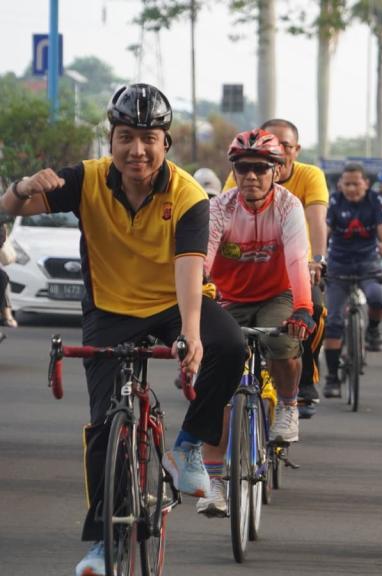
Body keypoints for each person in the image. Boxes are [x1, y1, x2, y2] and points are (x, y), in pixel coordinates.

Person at [0, 83, 245, 576]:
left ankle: (188, 446)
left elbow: (189, 268)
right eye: (126, 137)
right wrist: (24, 187)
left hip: (173, 301)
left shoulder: (189, 194)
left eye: (149, 138)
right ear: (110, 142)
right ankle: (101, 543)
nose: (138, 149)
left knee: (230, 346)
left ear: (165, 144)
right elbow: (10, 208)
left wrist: (192, 334)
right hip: (109, 310)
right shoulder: (84, 179)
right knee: (103, 427)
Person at [196, 129, 314, 516]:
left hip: (277, 295)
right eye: (243, 168)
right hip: (229, 298)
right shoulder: (220, 207)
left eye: (260, 168)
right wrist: (196, 293)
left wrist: (302, 308)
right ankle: (213, 484)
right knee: (216, 386)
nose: (251, 176)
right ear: (233, 170)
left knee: (281, 344)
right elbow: (203, 257)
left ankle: (289, 405)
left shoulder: (289, 207)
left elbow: (298, 259)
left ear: (276, 171)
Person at [225, 119, 330, 419]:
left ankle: (304, 376)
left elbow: (316, 220)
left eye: (286, 146)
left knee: (313, 309)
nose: (252, 176)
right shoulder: (241, 179)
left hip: (293, 271)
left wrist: (318, 259)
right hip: (244, 275)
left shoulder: (304, 185)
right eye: (245, 168)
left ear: (294, 151)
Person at [322, 163, 382, 397]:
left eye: (356, 183)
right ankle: (332, 377)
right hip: (338, 264)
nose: (352, 188)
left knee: (379, 298)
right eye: (347, 183)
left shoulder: (376, 202)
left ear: (366, 184)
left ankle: (373, 331)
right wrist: (317, 260)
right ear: (340, 185)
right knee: (334, 320)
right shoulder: (335, 201)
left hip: (368, 262)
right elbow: (324, 233)